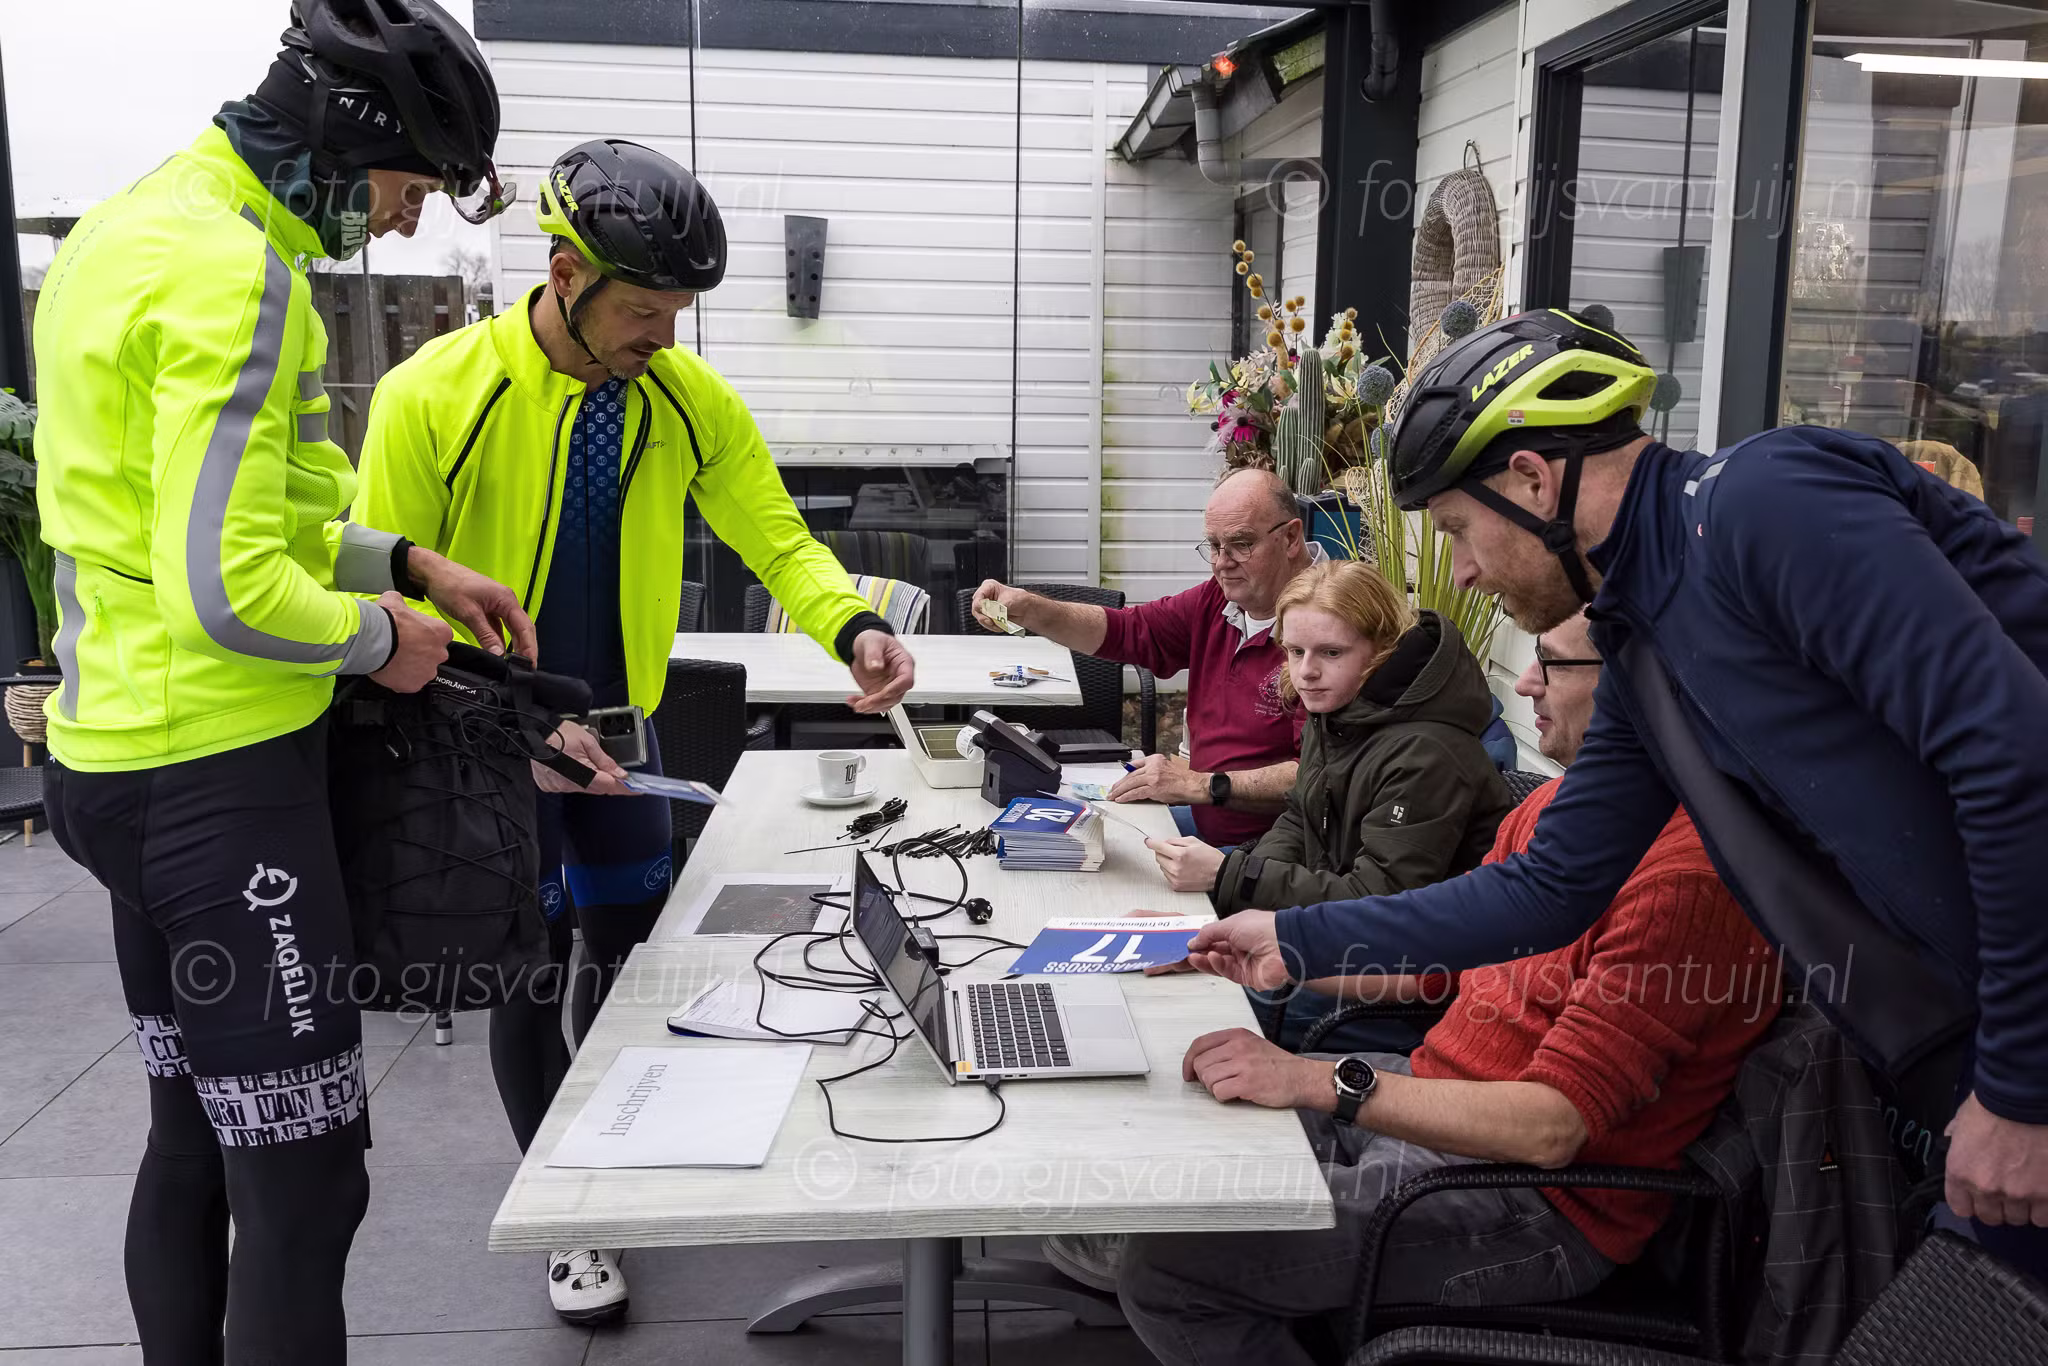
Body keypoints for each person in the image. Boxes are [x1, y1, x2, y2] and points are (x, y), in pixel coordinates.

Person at [1185, 307, 2048, 1277]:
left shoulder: (1762, 503)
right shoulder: (1641, 642)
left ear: (1532, 480)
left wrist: (2022, 1087)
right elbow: (1550, 886)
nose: (1461, 570)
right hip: (1962, 1043)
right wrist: (1293, 936)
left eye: (1458, 530)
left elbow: (2013, 756)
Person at [32, 4, 533, 1361]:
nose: (406, 222)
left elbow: (183, 518)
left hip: (113, 757)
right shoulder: (234, 272)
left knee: (191, 1138)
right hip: (222, 788)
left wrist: (404, 560)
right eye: (411, 186)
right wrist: (382, 637)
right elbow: (228, 587)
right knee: (308, 1188)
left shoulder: (123, 232)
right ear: (347, 136)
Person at [351, 136, 916, 1322]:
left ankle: (631, 1150)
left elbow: (774, 536)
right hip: (487, 745)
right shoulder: (433, 394)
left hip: (621, 738)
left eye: (677, 313)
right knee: (525, 974)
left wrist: (852, 625)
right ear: (564, 273)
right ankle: (573, 1215)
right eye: (643, 310)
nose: (664, 335)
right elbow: (394, 604)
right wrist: (511, 728)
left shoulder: (682, 399)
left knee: (630, 969)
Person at [1095, 610, 1780, 1364]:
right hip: (1432, 1099)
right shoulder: (1559, 811)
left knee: (1168, 1267)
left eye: (1553, 664)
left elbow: (1552, 1129)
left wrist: (1312, 1079)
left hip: (1535, 1204)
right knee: (1157, 1151)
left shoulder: (1690, 881)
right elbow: (1444, 971)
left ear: (1647, 689)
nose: (1524, 682)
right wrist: (1278, 960)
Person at [1153, 559, 1510, 1047]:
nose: (1306, 672)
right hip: (1337, 942)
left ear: (1383, 648)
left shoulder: (1427, 754)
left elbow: (1377, 901)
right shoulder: (1343, 711)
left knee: (1189, 1012)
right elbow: (1300, 818)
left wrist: (1230, 877)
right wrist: (1222, 909)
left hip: (1401, 995)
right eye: (1294, 651)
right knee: (1175, 964)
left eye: (1331, 652)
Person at [972, 468, 1321, 847]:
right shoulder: (1219, 600)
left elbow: (1318, 775)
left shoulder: (1328, 627)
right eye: (1214, 546)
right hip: (1205, 820)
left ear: (1290, 538)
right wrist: (1030, 609)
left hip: (1270, 851)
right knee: (1070, 842)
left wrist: (1199, 784)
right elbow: (1126, 631)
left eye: (1241, 544)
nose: (1222, 563)